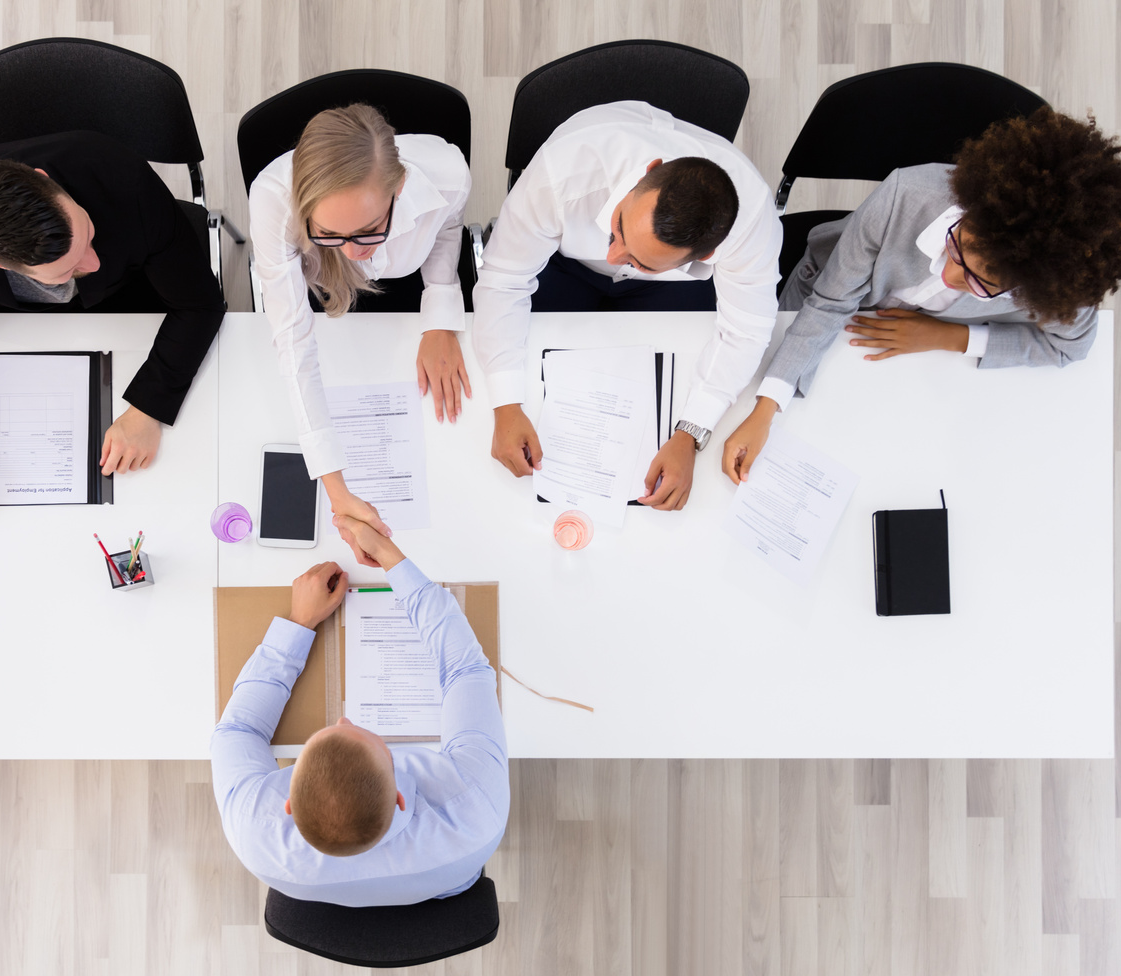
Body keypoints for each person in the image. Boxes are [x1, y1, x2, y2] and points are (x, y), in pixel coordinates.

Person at [721, 107, 1121, 483]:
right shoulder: (905, 194)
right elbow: (830, 302)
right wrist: (766, 409)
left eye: (980, 282)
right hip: (826, 299)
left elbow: (1071, 348)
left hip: (921, 372)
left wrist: (949, 338)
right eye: (957, 245)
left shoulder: (1058, 286)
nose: (948, 276)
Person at [0, 130, 226, 534]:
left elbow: (200, 303)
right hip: (18, 319)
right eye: (69, 268)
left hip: (134, 285)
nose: (92, 262)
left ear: (47, 179)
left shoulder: (124, 177)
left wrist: (146, 410)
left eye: (86, 235)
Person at [472, 100, 781, 512]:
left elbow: (746, 331)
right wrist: (506, 403)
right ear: (648, 171)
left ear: (705, 256)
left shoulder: (753, 224)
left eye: (637, 258)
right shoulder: (565, 171)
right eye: (619, 225)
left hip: (664, 290)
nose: (614, 256)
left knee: (671, 374)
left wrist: (690, 434)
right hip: (564, 263)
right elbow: (504, 278)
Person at [210, 518, 508, 906]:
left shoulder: (253, 829)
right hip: (446, 879)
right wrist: (387, 554)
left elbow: (237, 729)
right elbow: (465, 668)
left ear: (287, 804)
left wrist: (301, 622)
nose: (343, 720)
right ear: (400, 797)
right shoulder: (474, 811)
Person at [249, 104, 472, 539]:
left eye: (368, 229)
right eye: (330, 234)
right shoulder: (273, 201)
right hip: (320, 294)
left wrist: (440, 316)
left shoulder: (449, 175)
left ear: (399, 188)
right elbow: (294, 340)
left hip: (406, 288)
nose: (352, 251)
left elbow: (448, 229)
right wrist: (336, 488)